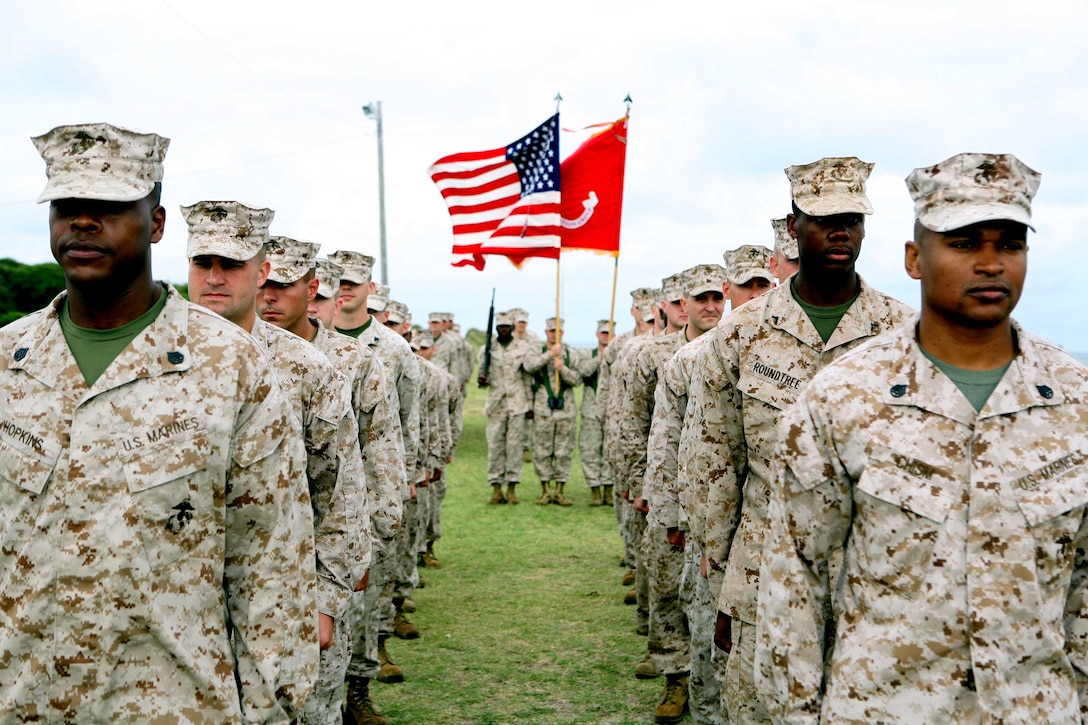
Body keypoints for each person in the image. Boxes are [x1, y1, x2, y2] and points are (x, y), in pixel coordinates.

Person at [755, 153, 1086, 723]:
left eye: (1009, 244)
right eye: (962, 243)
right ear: (915, 258)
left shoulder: (1076, 403)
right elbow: (794, 585)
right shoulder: (844, 399)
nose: (989, 264)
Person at [0, 122, 315, 721]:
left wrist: (273, 711)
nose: (83, 222)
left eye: (110, 206)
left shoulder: (231, 365)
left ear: (158, 223)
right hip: (24, 700)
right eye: (67, 205)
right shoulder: (7, 362)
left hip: (172, 704)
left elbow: (272, 570)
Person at [687, 157, 914, 725]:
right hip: (765, 577)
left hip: (879, 582)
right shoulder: (742, 333)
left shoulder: (905, 332)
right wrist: (723, 581)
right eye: (823, 219)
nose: (840, 231)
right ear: (793, 228)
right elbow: (711, 460)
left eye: (853, 220)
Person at [185, 203, 372, 725]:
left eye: (234, 263)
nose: (216, 278)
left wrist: (327, 597)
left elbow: (342, 492)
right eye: (204, 262)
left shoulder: (307, 369)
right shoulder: (151, 360)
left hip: (283, 598)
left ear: (262, 269)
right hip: (178, 602)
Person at [259, 239, 407, 724]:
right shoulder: (233, 355)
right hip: (251, 556)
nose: (269, 298)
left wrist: (368, 549)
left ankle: (357, 693)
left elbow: (382, 463)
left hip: (327, 553)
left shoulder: (357, 363)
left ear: (311, 288)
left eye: (282, 286)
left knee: (319, 693)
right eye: (262, 284)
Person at [647, 251, 773, 725]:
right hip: (715, 527)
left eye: (766, 285)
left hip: (773, 529)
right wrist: (675, 518)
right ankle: (683, 687)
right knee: (706, 631)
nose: (757, 296)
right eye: (747, 287)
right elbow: (670, 443)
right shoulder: (694, 358)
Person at [524, 317, 583, 506]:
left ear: (562, 333)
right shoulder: (537, 350)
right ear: (545, 332)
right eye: (551, 330)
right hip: (543, 408)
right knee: (542, 450)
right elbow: (529, 366)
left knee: (563, 450)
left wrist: (563, 369)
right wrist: (549, 355)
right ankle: (545, 489)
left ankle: (560, 490)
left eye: (557, 331)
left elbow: (577, 380)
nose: (553, 334)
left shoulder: (571, 354)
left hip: (565, 409)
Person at [477, 310, 534, 504]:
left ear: (512, 328)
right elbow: (482, 379)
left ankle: (512, 487)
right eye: (500, 327)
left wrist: (530, 405)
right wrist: (482, 379)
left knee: (515, 447)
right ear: (495, 328)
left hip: (517, 403)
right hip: (496, 404)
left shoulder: (523, 348)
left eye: (506, 327)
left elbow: (527, 378)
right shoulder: (487, 350)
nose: (503, 330)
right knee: (495, 446)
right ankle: (496, 487)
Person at [576, 319, 612, 505]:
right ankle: (594, 489)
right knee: (590, 450)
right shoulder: (586, 354)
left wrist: (610, 357)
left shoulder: (619, 354)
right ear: (597, 335)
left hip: (611, 411)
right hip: (590, 410)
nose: (607, 336)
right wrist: (600, 357)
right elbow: (582, 372)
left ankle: (608, 488)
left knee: (609, 451)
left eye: (609, 333)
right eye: (604, 333)